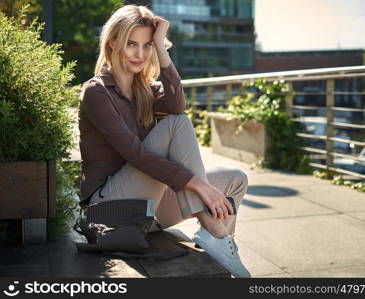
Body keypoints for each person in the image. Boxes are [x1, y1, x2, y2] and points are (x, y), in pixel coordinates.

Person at [78, 4, 250, 278]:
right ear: (113, 43)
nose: (140, 53)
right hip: (109, 212)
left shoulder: (147, 90)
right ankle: (217, 233)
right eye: (132, 44)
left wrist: (161, 46)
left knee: (236, 179)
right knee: (176, 126)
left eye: (147, 45)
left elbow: (178, 103)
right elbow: (136, 154)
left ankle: (217, 243)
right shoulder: (96, 92)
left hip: (149, 213)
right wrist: (197, 185)